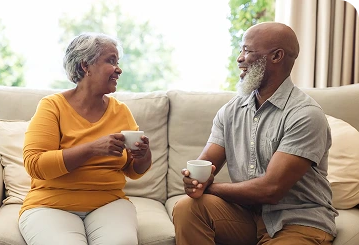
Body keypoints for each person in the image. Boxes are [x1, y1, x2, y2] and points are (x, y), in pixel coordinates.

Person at [173, 22, 337, 245]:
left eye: (247, 50)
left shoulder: (305, 115)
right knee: (187, 208)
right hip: (248, 216)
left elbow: (271, 190)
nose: (239, 58)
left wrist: (210, 187)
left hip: (298, 221)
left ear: (277, 56)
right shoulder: (231, 111)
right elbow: (204, 166)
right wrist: (193, 181)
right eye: (241, 50)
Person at [18, 32, 152, 245]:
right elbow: (35, 164)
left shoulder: (121, 111)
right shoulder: (52, 106)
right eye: (111, 61)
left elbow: (132, 170)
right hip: (50, 204)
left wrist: (143, 156)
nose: (119, 69)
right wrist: (92, 149)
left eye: (118, 62)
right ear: (85, 66)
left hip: (109, 203)